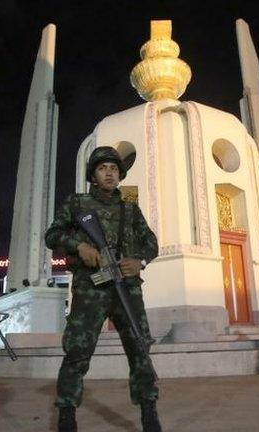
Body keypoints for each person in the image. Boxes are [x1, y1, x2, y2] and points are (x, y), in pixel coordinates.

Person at [45, 146, 161, 432]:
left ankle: (149, 412)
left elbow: (151, 242)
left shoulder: (130, 209)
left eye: (113, 169)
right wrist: (79, 246)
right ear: (93, 176)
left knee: (140, 349)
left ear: (119, 175)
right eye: (102, 168)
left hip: (127, 287)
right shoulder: (77, 204)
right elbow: (53, 235)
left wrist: (140, 261)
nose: (109, 172)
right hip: (90, 288)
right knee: (78, 350)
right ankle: (67, 413)